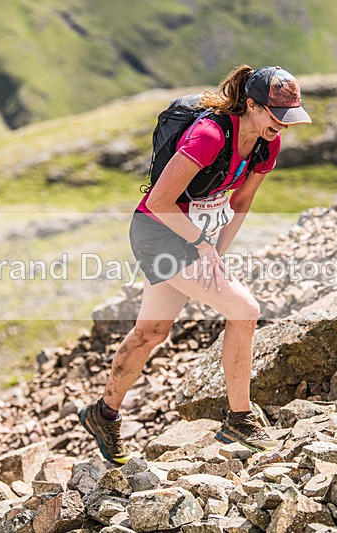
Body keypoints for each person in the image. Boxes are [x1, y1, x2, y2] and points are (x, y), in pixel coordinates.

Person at [79, 65, 311, 464]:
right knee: (245, 311)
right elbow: (158, 202)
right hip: (158, 231)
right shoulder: (208, 136)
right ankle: (240, 418)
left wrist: (217, 251)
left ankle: (103, 414)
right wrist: (203, 246)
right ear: (251, 105)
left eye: (289, 118)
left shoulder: (266, 144)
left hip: (191, 233)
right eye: (277, 116)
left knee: (151, 332)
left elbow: (240, 203)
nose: (283, 126)